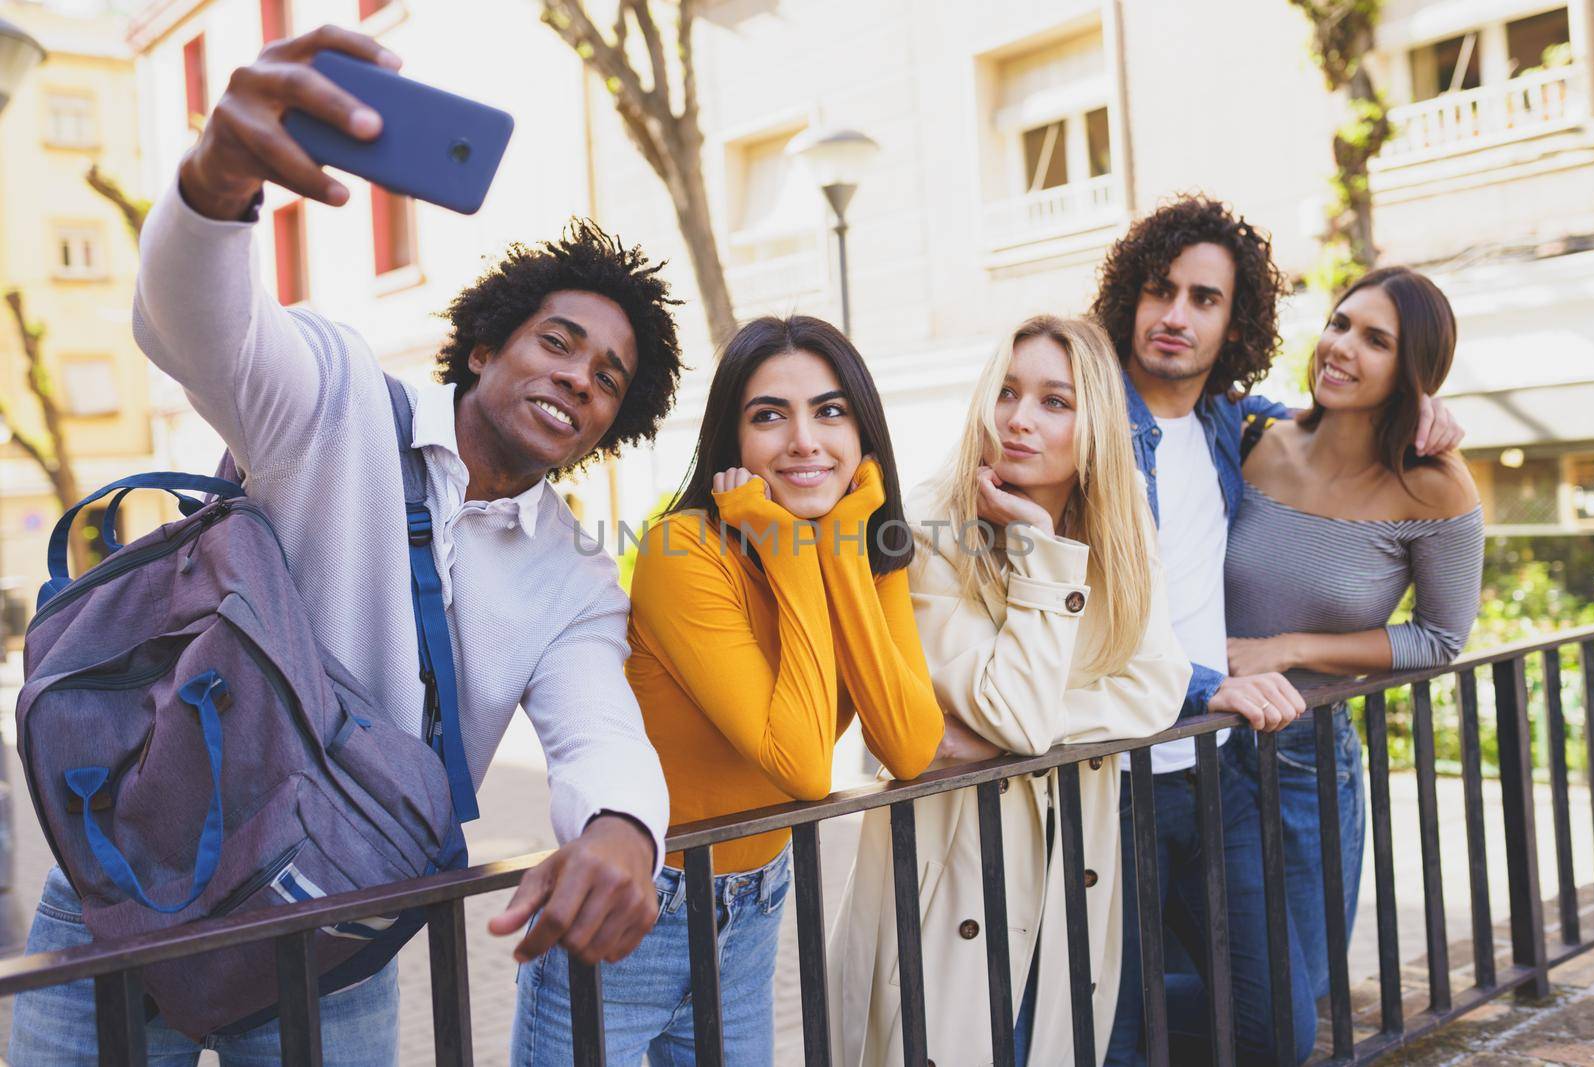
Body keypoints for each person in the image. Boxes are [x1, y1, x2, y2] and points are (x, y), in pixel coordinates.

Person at [9, 27, 678, 1065]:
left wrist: (623, 828)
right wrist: (214, 184)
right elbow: (200, 328)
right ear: (488, 344)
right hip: (122, 878)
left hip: (326, 939)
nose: (580, 378)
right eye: (558, 340)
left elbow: (598, 731)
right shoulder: (334, 398)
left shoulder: (574, 577)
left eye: (608, 377)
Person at [511, 315, 947, 1065]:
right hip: (637, 909)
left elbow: (908, 746)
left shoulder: (867, 548)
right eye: (769, 415)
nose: (804, 439)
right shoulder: (683, 551)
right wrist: (787, 546)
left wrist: (842, 552)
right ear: (732, 442)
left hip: (753, 910)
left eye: (831, 410)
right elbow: (804, 764)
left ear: (862, 431)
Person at [1093, 198, 1465, 1066]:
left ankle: (1059, 1006)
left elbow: (1441, 635)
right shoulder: (1094, 419)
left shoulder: (1233, 424)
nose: (1177, 315)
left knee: (1276, 1020)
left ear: (1237, 322)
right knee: (1128, 1010)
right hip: (1117, 768)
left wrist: (1428, 411)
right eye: (1160, 291)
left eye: (1205, 299)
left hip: (1234, 764)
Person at [829, 315, 1190, 1066]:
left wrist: (997, 738)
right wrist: (1040, 551)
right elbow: (1015, 713)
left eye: (1055, 401)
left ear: (1094, 420)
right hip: (949, 872)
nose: (1019, 420)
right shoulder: (927, 528)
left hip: (1072, 867)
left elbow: (1158, 685)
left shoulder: (1120, 530)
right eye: (1007, 392)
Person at [1225, 266, 1484, 1001]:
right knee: (1207, 982)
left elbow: (1438, 637)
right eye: (1340, 324)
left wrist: (1292, 648)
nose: (1342, 347)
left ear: (1414, 372)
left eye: (1376, 340)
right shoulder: (1258, 440)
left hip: (1305, 760)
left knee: (1292, 1003)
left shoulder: (1433, 482)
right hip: (1194, 740)